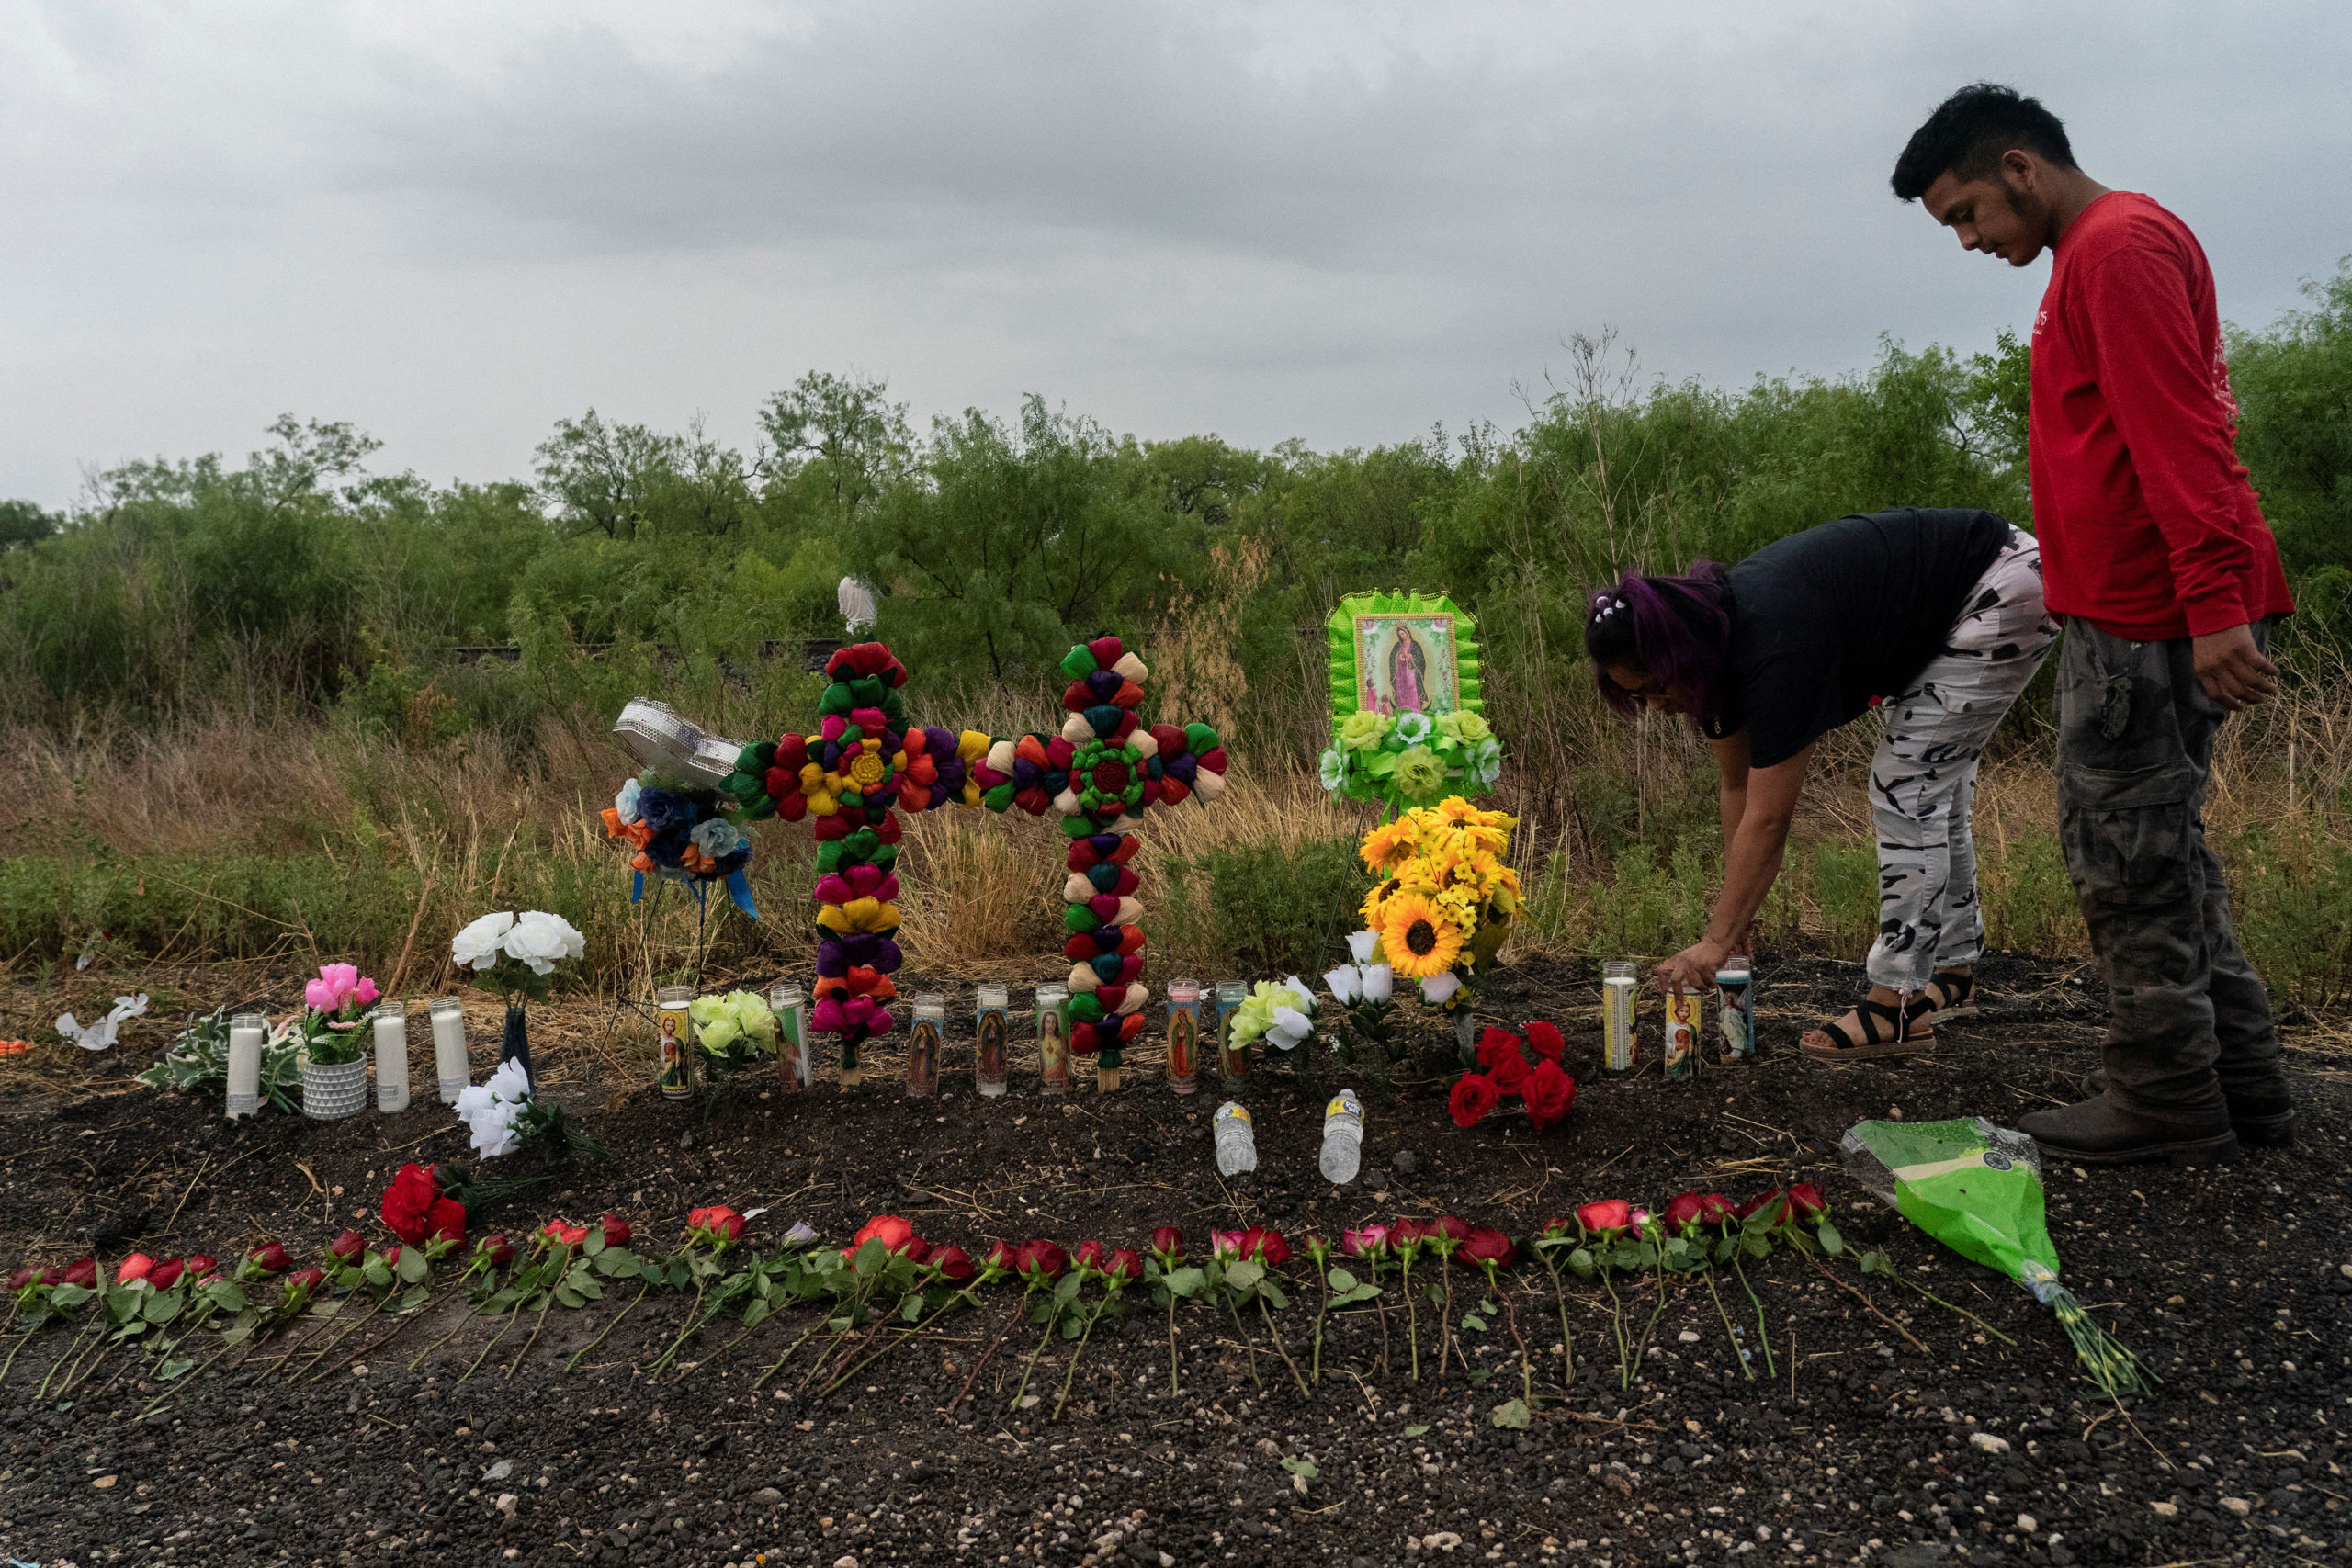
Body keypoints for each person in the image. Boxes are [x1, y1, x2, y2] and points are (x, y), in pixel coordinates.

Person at [1892, 84, 2296, 1163]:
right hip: (2151, 604)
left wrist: (2213, 605)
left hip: (2151, 611)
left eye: (1969, 212)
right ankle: (2243, 1085)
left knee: (2124, 858)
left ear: (2021, 166)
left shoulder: (2115, 249)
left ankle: (2165, 1097)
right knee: (2166, 852)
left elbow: (2180, 433)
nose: (1970, 238)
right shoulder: (2105, 250)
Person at [1593, 510, 2057, 1057]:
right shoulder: (1714, 654)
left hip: (1999, 585)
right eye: (1639, 698)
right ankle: (1951, 970)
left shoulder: (1773, 645)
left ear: (1680, 653)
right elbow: (1738, 787)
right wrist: (1735, 919)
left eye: (1654, 687)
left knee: (1907, 785)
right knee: (1934, 785)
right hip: (1974, 589)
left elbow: (1770, 818)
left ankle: (1897, 1004)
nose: (1657, 707)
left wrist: (1717, 941)